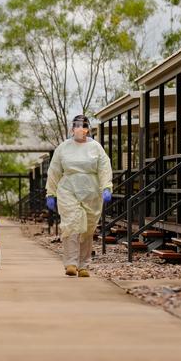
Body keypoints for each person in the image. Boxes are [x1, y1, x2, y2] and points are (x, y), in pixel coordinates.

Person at [45, 115, 112, 277]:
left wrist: (107, 187)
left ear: (87, 129)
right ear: (72, 128)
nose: (79, 130)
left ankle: (83, 265)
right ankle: (71, 263)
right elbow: (54, 171)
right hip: (69, 190)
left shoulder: (96, 147)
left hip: (91, 192)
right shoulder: (63, 148)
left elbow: (104, 168)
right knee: (72, 224)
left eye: (82, 127)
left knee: (87, 229)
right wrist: (50, 193)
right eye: (76, 126)